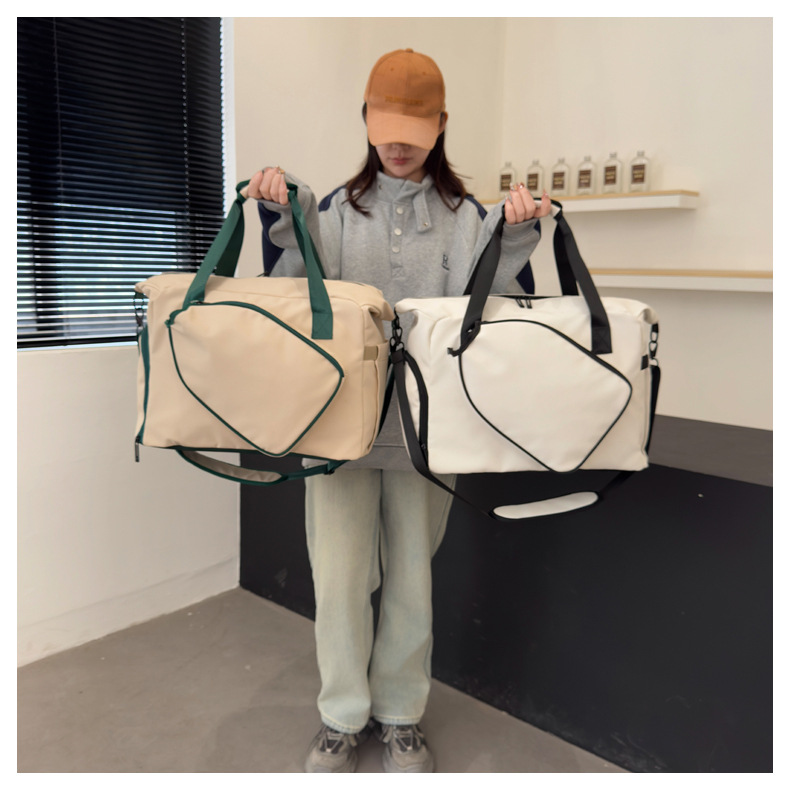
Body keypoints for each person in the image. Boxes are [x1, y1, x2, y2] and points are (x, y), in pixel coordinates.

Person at [245, 48, 550, 773]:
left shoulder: (467, 219)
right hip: (335, 428)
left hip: (426, 431)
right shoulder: (330, 211)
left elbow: (496, 317)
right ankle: (341, 714)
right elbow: (291, 297)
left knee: (413, 577)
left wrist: (513, 236)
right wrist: (282, 217)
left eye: (415, 130)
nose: (400, 145)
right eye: (387, 129)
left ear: (441, 125)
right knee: (340, 580)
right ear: (365, 120)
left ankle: (401, 713)